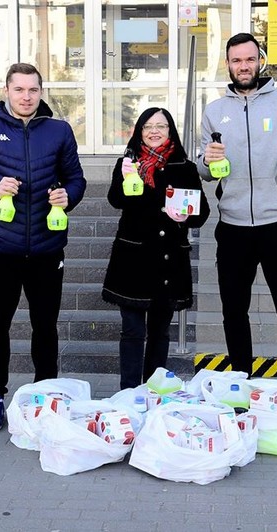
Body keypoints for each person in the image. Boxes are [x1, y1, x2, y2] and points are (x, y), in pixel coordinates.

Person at [0, 63, 86, 432]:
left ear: (41, 92)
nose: (26, 96)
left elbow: (77, 179)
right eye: (19, 90)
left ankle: (48, 396)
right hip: (0, 250)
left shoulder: (59, 131)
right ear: (6, 91)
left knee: (46, 327)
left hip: (47, 250)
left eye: (33, 90)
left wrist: (68, 196)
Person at [197, 33, 277, 418]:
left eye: (250, 59)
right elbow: (202, 166)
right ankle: (241, 384)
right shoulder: (215, 110)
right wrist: (205, 157)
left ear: (260, 60)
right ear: (228, 64)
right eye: (236, 60)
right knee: (234, 310)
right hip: (232, 225)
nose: (243, 66)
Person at [102, 108, 210, 389]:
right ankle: (129, 392)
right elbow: (115, 199)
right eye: (148, 126)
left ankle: (153, 392)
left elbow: (202, 212)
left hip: (168, 260)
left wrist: (187, 216)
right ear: (139, 130)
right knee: (133, 331)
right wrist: (127, 180)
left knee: (160, 332)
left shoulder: (184, 166)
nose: (154, 131)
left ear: (170, 130)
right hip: (133, 260)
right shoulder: (128, 162)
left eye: (161, 126)